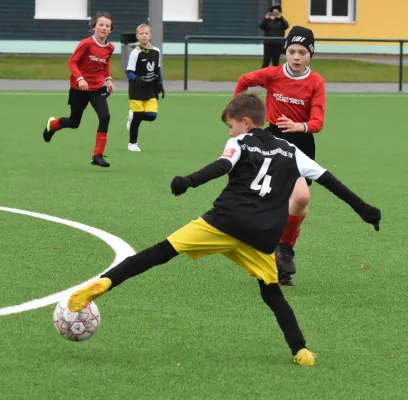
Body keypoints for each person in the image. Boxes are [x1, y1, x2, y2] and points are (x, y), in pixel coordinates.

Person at [67, 93, 381, 366]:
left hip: (225, 222)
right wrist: (365, 210)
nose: (229, 131)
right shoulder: (291, 150)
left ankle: (96, 288)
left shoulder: (239, 142)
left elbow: (223, 166)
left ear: (245, 122)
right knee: (272, 293)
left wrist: (189, 181)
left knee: (161, 252)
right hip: (262, 236)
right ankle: (300, 350)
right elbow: (331, 181)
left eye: (230, 125)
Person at [234, 26, 324, 286]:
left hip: (303, 144)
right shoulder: (273, 74)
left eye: (302, 52)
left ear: (311, 55)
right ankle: (280, 251)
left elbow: (317, 121)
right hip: (274, 143)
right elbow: (244, 81)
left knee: (300, 208)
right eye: (292, 51)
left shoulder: (316, 82)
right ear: (286, 52)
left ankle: (281, 250)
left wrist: (299, 126)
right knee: (290, 198)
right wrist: (239, 114)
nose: (296, 57)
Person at [42, 12, 115, 168]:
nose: (103, 28)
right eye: (101, 25)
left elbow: (105, 65)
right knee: (74, 123)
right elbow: (72, 63)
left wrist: (108, 79)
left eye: (107, 26)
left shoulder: (110, 47)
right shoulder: (86, 44)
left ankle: (97, 155)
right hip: (79, 88)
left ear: (110, 30)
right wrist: (80, 79)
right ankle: (52, 125)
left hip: (96, 89)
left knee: (105, 116)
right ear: (94, 26)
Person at [125, 24, 165, 152]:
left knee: (152, 115)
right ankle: (132, 144)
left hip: (150, 89)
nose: (144, 36)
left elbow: (158, 69)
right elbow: (129, 72)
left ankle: (132, 116)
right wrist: (137, 79)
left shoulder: (156, 51)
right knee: (137, 118)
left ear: (150, 35)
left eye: (146, 33)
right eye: (141, 33)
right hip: (136, 89)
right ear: (137, 36)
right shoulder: (135, 53)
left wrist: (160, 84)